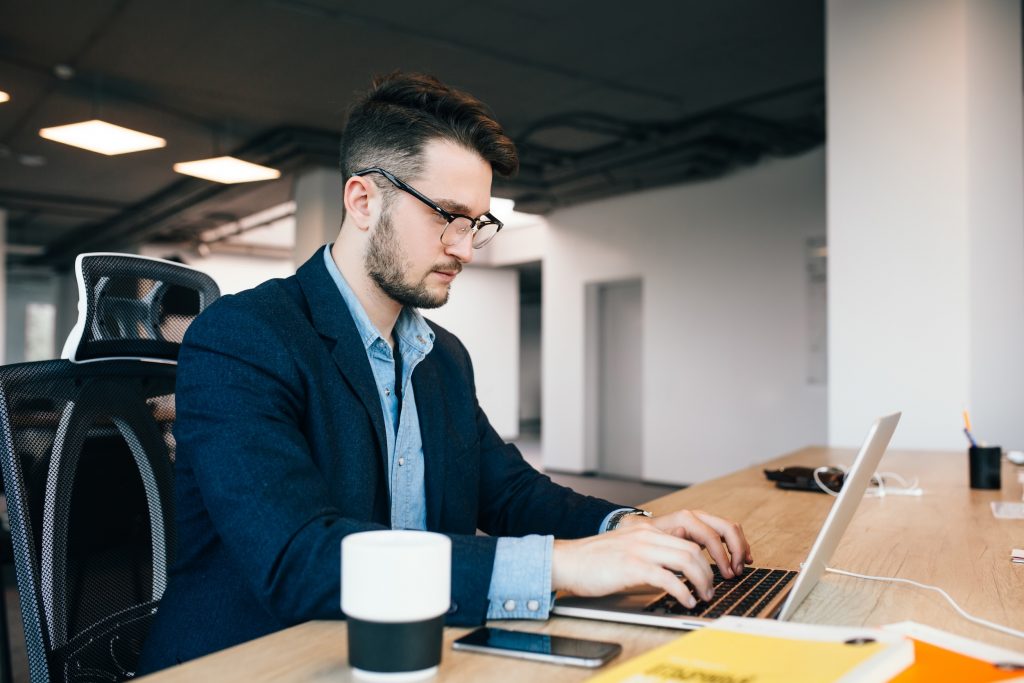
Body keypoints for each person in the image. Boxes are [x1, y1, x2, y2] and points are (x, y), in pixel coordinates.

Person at [138, 72, 751, 672]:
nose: (463, 247)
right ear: (363, 201)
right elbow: (298, 558)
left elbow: (507, 491)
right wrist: (563, 566)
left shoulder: (442, 355)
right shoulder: (245, 336)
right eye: (446, 216)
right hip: (260, 659)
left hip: (415, 652)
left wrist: (628, 529)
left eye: (477, 225)